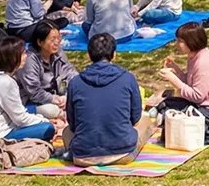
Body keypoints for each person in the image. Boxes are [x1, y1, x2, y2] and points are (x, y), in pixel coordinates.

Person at [63, 31, 154, 167]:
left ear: (89, 55)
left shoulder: (75, 83)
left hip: (83, 155)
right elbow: (135, 118)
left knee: (66, 132)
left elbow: (73, 123)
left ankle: (73, 152)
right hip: (123, 152)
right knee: (145, 121)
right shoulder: (127, 78)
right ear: (114, 55)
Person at [0, 36, 57, 153]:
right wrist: (44, 121)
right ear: (13, 58)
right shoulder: (6, 83)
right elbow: (21, 119)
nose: (26, 56)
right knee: (48, 129)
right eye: (23, 53)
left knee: (36, 110)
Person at [156, 22, 209, 117]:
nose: (176, 44)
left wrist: (173, 80)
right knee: (166, 104)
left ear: (192, 41)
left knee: (169, 113)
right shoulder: (194, 56)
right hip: (203, 106)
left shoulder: (203, 62)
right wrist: (177, 71)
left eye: (180, 41)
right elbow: (191, 83)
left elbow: (197, 96)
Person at [14, 20, 77, 114]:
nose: (57, 42)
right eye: (52, 39)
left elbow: (69, 72)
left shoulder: (58, 52)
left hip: (57, 96)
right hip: (33, 101)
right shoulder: (30, 60)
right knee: (53, 111)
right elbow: (34, 92)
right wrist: (54, 99)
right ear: (40, 42)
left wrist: (65, 95)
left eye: (58, 38)